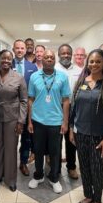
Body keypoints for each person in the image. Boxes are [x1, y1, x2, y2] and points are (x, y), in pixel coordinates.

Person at [69, 49, 103, 203]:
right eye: (91, 61)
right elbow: (74, 109)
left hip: (99, 136)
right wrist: (71, 129)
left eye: (98, 61)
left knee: (97, 169)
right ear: (87, 63)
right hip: (80, 133)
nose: (94, 64)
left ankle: (97, 198)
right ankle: (88, 195)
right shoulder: (81, 83)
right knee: (83, 166)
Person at [28, 50, 70, 194]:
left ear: (55, 60)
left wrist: (65, 122)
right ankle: (38, 175)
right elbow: (30, 100)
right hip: (38, 120)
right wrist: (29, 121)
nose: (49, 59)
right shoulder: (34, 76)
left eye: (52, 57)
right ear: (42, 59)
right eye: (46, 57)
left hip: (55, 122)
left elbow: (66, 100)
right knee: (38, 150)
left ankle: (54, 178)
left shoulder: (62, 77)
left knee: (55, 152)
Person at [0, 50, 28, 192]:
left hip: (13, 118)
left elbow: (24, 101)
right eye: (3, 58)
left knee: (11, 149)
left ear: (12, 61)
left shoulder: (18, 77)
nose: (6, 61)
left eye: (9, 59)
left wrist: (21, 121)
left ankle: (10, 180)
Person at [55, 44, 81, 180]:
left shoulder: (79, 70)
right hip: (56, 107)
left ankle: (71, 167)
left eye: (68, 53)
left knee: (71, 140)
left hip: (73, 108)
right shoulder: (53, 69)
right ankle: (56, 167)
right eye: (63, 53)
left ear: (72, 54)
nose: (65, 55)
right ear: (58, 54)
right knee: (56, 139)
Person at [12, 39, 37, 176]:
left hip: (27, 107)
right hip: (10, 107)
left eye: (22, 48)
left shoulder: (32, 67)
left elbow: (33, 89)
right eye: (18, 48)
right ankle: (9, 164)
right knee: (11, 137)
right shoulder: (7, 64)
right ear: (13, 49)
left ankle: (23, 163)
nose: (20, 50)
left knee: (27, 137)